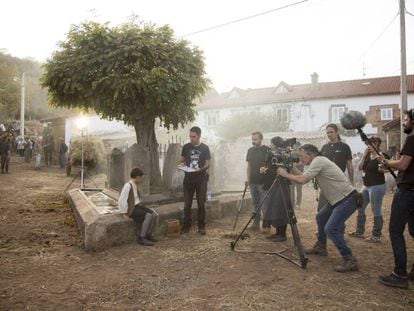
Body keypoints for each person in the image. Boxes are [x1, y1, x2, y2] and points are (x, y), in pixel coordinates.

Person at [277, 144, 359, 272]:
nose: (300, 158)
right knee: (321, 217)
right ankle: (321, 246)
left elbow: (302, 179)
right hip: (338, 199)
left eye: (302, 155)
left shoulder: (319, 160)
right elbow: (304, 176)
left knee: (331, 229)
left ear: (310, 154)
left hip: (346, 198)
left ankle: (349, 259)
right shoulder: (318, 161)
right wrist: (291, 167)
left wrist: (285, 174)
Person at [377, 109, 414, 289]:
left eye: (406, 119)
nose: (404, 123)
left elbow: (403, 164)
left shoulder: (412, 139)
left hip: (407, 192)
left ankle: (400, 275)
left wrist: (387, 162)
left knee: (395, 231)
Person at [349, 137, 387, 242]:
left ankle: (376, 235)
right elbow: (360, 168)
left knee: (376, 210)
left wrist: (382, 162)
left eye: (370, 143)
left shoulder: (381, 156)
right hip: (366, 185)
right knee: (360, 207)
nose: (368, 146)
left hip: (377, 186)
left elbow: (385, 169)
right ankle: (359, 231)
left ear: (377, 143)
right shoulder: (367, 156)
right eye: (367, 144)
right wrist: (364, 156)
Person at [178, 126, 211, 235]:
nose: (191, 138)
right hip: (188, 180)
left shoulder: (205, 148)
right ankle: (186, 226)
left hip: (201, 179)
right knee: (187, 204)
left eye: (193, 136)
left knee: (201, 204)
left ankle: (201, 227)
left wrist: (200, 169)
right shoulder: (186, 147)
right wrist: (180, 164)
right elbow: (182, 160)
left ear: (199, 136)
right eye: (190, 136)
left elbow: (208, 164)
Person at [118, 167, 159, 246]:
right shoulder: (128, 185)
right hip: (132, 209)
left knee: (153, 214)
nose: (142, 180)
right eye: (141, 179)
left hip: (137, 207)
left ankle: (148, 234)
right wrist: (124, 213)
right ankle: (142, 238)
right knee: (148, 215)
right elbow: (121, 200)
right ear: (137, 177)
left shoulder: (134, 184)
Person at [318, 123, 354, 211]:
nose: (329, 134)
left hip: (339, 183)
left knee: (338, 209)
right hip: (326, 183)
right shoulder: (324, 148)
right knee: (321, 210)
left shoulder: (345, 147)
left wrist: (351, 181)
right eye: (328, 133)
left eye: (331, 132)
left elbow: (349, 165)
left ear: (337, 132)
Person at [260, 137, 290, 241]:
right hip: (274, 184)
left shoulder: (283, 155)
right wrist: (265, 169)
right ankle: (278, 233)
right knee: (275, 209)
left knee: (281, 209)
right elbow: (273, 168)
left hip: (281, 184)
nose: (270, 145)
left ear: (275, 144)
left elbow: (282, 171)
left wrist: (267, 170)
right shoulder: (273, 155)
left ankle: (282, 235)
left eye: (271, 143)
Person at [246, 131, 270, 231]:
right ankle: (255, 224)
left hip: (263, 181)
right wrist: (248, 179)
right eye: (252, 139)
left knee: (265, 203)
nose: (253, 141)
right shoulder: (250, 150)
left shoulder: (267, 150)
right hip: (253, 181)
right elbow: (249, 166)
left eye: (255, 139)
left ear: (261, 139)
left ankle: (266, 225)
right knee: (255, 203)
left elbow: (270, 165)